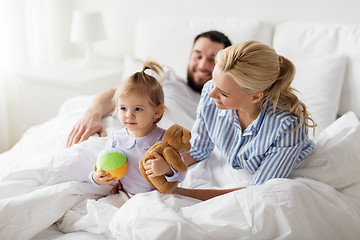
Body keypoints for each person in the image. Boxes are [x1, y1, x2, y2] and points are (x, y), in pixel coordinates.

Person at [171, 40, 316, 201]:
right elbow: (199, 149)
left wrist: (185, 194)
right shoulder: (209, 93)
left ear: (255, 96)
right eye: (213, 81)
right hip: (240, 174)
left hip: (289, 172)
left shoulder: (287, 127)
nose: (211, 94)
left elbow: (259, 191)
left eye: (224, 93)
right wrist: (168, 165)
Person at [66, 30, 232, 147]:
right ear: (190, 56)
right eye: (198, 55)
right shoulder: (164, 74)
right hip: (115, 129)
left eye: (213, 60)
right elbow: (114, 93)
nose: (202, 65)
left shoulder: (220, 103)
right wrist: (92, 115)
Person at [91, 60, 185, 203]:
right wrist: (96, 178)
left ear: (157, 112)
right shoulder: (117, 139)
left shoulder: (163, 140)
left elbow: (181, 172)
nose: (129, 115)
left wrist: (166, 169)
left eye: (138, 109)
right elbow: (103, 165)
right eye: (123, 108)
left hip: (157, 196)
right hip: (126, 194)